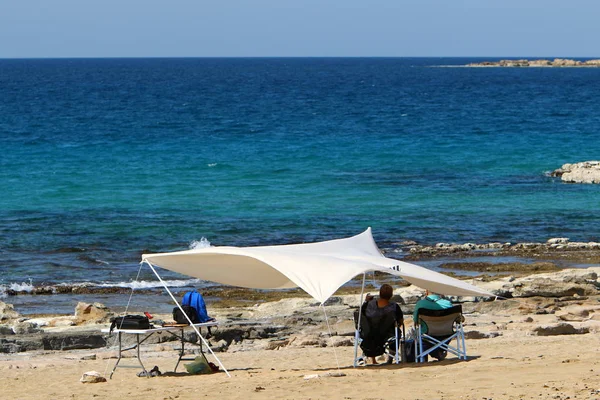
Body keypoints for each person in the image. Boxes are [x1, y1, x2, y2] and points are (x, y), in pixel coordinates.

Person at [361, 284, 403, 364]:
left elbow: (361, 316)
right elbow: (400, 322)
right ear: (391, 295)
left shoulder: (368, 305)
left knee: (372, 333)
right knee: (397, 332)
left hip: (369, 333)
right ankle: (390, 358)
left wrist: (366, 301)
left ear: (379, 294)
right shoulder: (394, 307)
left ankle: (373, 359)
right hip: (387, 334)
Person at [412, 291, 454, 360]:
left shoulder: (420, 304)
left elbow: (416, 322)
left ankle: (425, 356)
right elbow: (458, 320)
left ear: (427, 291)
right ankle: (438, 350)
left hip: (427, 335)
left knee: (417, 334)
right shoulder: (447, 304)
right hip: (446, 335)